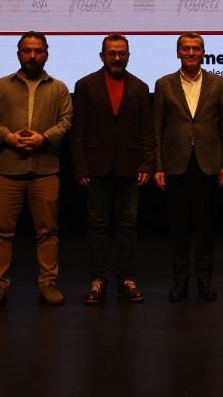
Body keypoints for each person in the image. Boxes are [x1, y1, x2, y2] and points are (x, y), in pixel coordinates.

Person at [0, 31, 72, 308]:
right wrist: (8, 137)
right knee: (2, 231)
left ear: (46, 54)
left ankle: (48, 284)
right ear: (18, 53)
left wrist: (45, 138)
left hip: (45, 170)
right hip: (7, 169)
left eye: (38, 51)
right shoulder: (0, 86)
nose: (32, 56)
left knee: (48, 231)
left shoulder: (59, 88)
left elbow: (66, 121)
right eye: (27, 50)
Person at [71, 34, 154, 303]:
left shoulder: (140, 87)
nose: (117, 58)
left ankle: (127, 279)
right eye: (112, 53)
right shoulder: (85, 85)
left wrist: (147, 163)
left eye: (121, 53)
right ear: (102, 56)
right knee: (97, 225)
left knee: (128, 225)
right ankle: (98, 279)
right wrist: (81, 166)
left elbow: (147, 131)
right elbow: (78, 130)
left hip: (131, 167)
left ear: (128, 56)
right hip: (96, 166)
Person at [153, 33, 223, 301]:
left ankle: (204, 281)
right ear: (178, 53)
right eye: (186, 48)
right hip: (175, 165)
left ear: (203, 53)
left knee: (206, 228)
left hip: (208, 165)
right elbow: (157, 130)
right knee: (178, 229)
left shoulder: (218, 83)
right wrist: (158, 166)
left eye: (196, 49)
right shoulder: (163, 84)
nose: (190, 53)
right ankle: (181, 282)